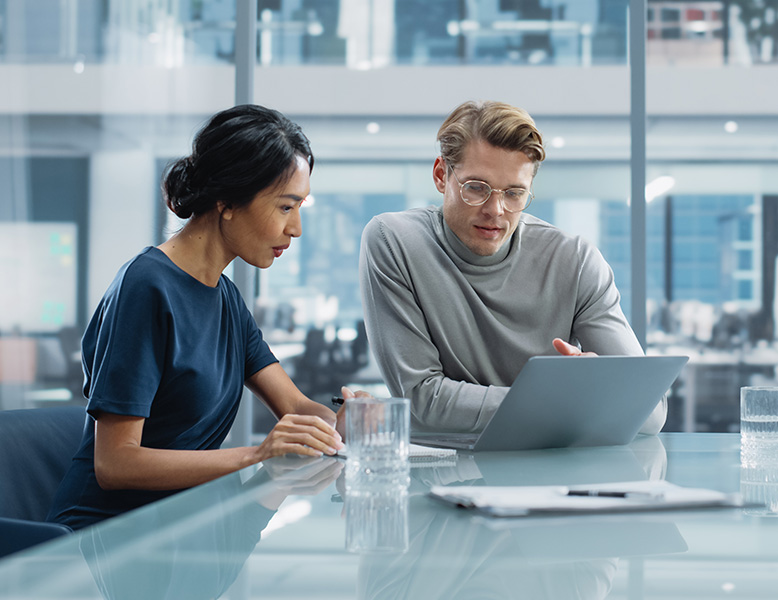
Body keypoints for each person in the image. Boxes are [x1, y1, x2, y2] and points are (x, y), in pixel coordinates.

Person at [47, 104, 346, 530]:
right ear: (226, 202)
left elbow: (295, 406)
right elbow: (114, 463)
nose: (296, 228)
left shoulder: (225, 297)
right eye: (285, 207)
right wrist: (258, 454)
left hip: (183, 526)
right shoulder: (146, 287)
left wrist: (340, 424)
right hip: (106, 539)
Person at [359, 100, 666, 434]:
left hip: (553, 474)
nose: (496, 210)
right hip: (442, 471)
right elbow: (422, 402)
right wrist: (572, 402)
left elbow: (649, 411)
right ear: (440, 175)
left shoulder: (575, 260)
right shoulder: (394, 241)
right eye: (476, 188)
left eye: (515, 193)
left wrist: (587, 392)